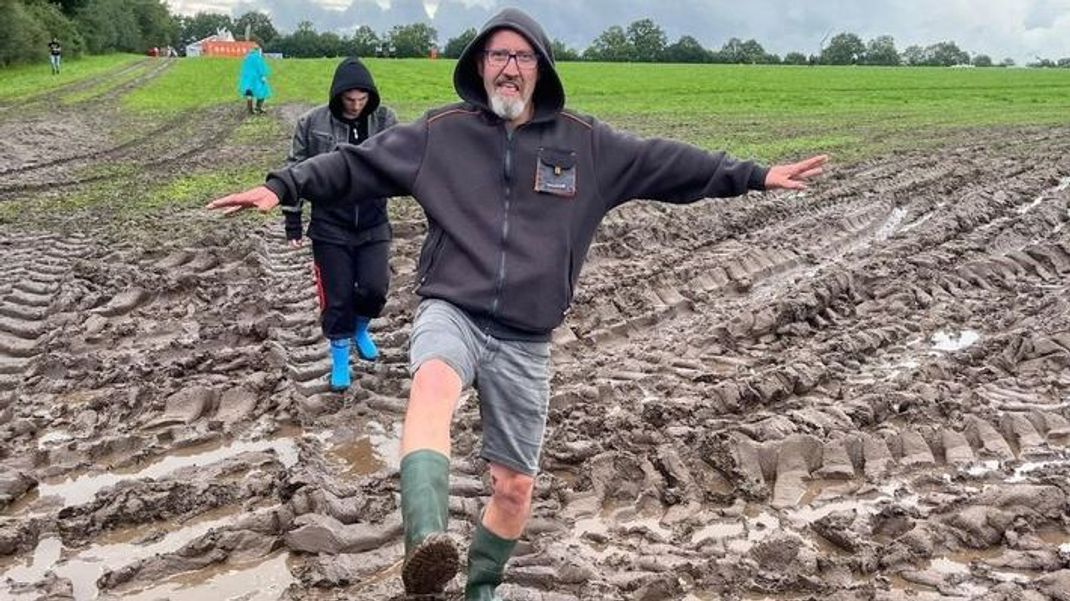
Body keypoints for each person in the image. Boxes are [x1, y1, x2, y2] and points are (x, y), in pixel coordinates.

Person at [208, 8, 826, 599]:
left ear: (542, 67)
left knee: (515, 489)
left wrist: (756, 174)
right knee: (431, 387)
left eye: (521, 56)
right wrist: (280, 186)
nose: (509, 67)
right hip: (454, 305)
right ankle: (426, 542)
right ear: (479, 66)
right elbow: (353, 165)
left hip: (527, 335)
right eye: (496, 55)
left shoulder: (587, 145)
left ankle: (481, 587)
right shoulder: (439, 135)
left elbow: (670, 163)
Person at [285, 57, 398, 391]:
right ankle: (339, 359)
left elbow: (403, 160)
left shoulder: (385, 119)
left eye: (362, 99)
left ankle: (361, 327)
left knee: (375, 288)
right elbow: (295, 172)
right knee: (336, 298)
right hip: (330, 224)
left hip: (374, 221)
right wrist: (293, 221)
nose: (355, 105)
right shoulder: (311, 123)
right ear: (338, 96)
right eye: (349, 99)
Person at [237, 47, 271, 114]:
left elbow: (244, 69)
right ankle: (258, 107)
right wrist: (263, 76)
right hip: (256, 79)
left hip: (247, 79)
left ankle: (250, 110)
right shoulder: (257, 57)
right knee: (263, 90)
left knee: (249, 93)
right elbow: (260, 68)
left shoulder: (247, 58)